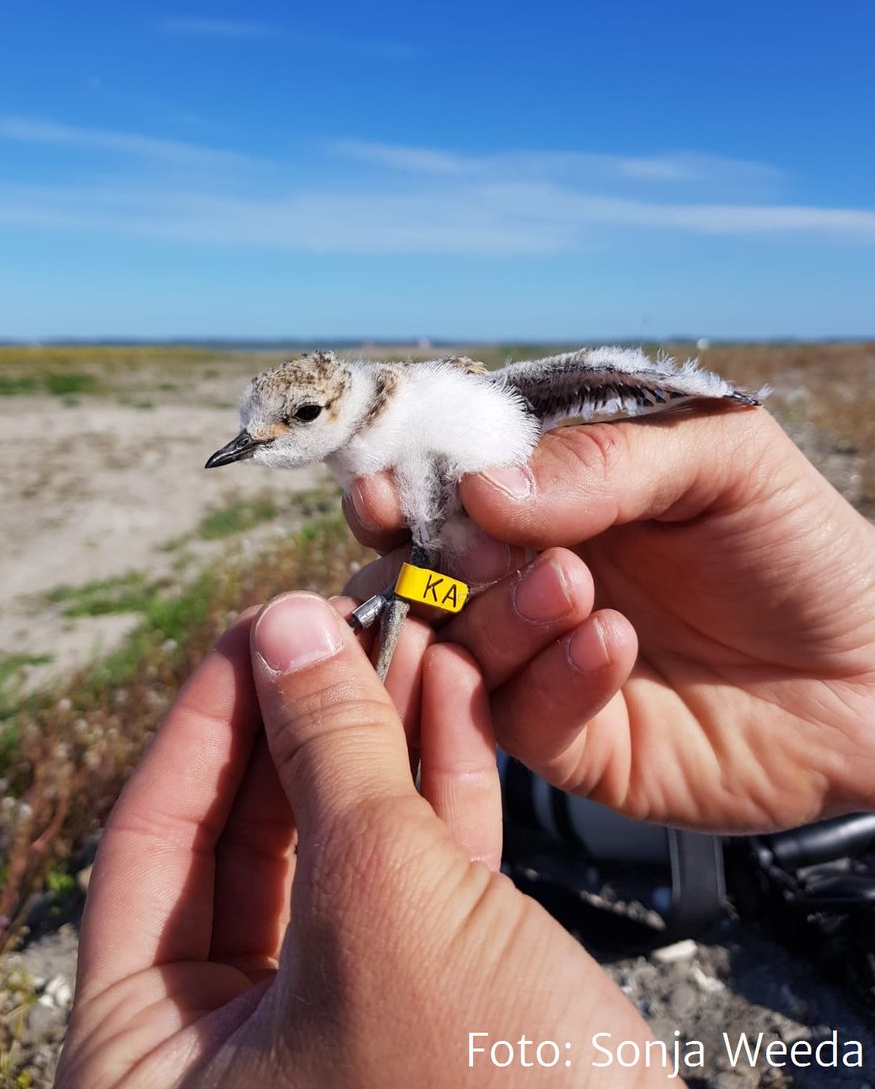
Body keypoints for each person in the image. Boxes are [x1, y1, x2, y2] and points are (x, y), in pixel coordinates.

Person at [56, 406, 875, 1087]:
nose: (262, 441)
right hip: (506, 608)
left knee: (439, 602)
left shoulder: (429, 418)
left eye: (293, 419)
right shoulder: (385, 473)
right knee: (439, 598)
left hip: (500, 590)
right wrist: (852, 702)